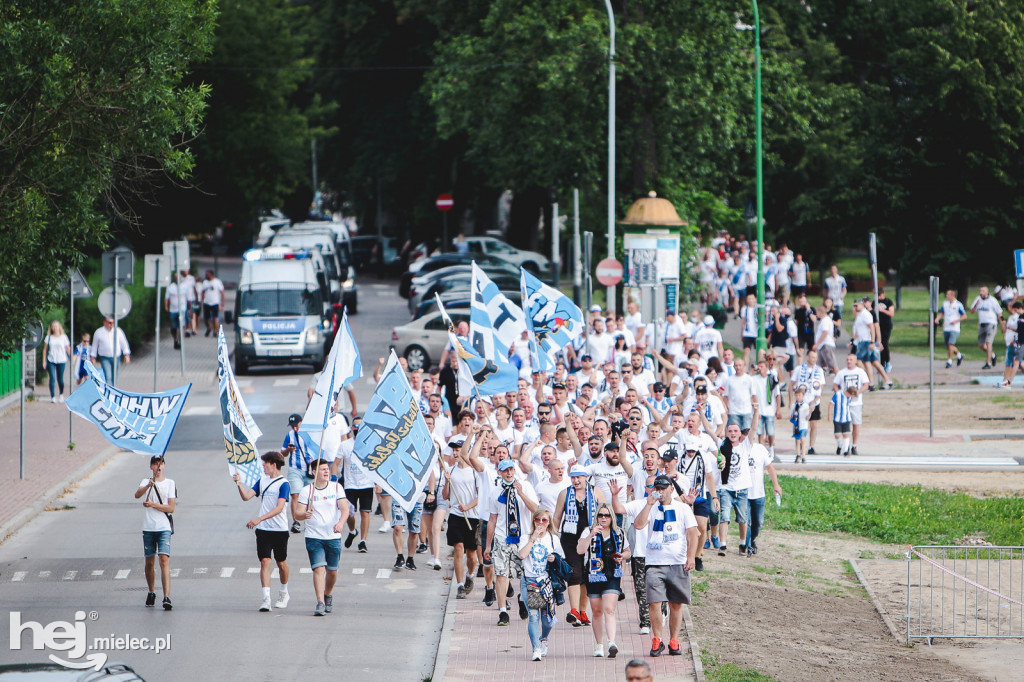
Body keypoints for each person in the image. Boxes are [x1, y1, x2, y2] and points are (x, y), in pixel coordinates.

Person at [633, 474, 699, 657]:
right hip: (655, 561)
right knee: (654, 601)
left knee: (676, 603)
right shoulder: (650, 507)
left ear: (671, 488)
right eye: (658, 488)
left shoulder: (683, 508)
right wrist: (648, 504)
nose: (660, 491)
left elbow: (693, 533)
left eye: (663, 488)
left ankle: (674, 639)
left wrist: (691, 556)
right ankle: (657, 639)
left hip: (677, 561)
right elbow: (638, 525)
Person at [233, 451, 291, 611]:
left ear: (273, 464)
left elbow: (279, 508)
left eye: (265, 464)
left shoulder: (283, 483)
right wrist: (239, 484)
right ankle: (266, 599)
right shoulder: (262, 481)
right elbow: (246, 496)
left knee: (281, 563)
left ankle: (284, 592)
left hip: (279, 529)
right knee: (265, 561)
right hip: (264, 530)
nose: (263, 467)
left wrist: (259, 518)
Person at [293, 459, 350, 616]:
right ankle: (320, 602)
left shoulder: (336, 488)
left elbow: (344, 509)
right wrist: (304, 514)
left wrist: (340, 523)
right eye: (323, 469)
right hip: (313, 536)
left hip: (333, 535)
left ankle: (328, 594)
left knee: (332, 571)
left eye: (327, 469)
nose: (326, 472)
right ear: (314, 472)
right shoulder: (307, 491)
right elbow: (297, 514)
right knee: (318, 569)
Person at [553, 468, 606, 627]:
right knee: (574, 573)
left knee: (587, 574)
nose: (576, 481)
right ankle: (574, 610)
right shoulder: (565, 493)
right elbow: (556, 517)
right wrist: (553, 538)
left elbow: (604, 514)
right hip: (570, 539)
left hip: (591, 537)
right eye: (573, 478)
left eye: (579, 478)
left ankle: (583, 611)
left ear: (585, 477)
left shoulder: (596, 491)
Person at [577, 501, 630, 658]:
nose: (604, 518)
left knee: (609, 608)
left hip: (612, 574)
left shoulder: (619, 532)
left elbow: (628, 551)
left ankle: (611, 642)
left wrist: (622, 556)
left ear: (612, 517)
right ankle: (599, 644)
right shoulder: (588, 530)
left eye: (607, 515)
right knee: (597, 610)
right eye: (600, 515)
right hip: (593, 575)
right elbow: (580, 550)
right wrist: (592, 534)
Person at [518, 508, 563, 661]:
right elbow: (522, 555)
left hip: (546, 582)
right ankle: (535, 648)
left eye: (544, 520)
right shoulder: (526, 537)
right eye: (538, 520)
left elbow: (561, 559)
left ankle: (543, 638)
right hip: (530, 581)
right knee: (533, 616)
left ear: (549, 522)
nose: (541, 523)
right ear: (533, 521)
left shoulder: (553, 539)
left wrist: (554, 558)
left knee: (547, 619)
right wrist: (533, 538)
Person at [134, 455, 175, 611]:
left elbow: (171, 508)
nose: (158, 467)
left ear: (164, 466)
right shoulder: (146, 482)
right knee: (149, 562)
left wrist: (152, 504)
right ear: (151, 467)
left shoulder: (170, 483)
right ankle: (151, 591)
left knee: (164, 559)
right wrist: (147, 486)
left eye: (161, 464)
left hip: (163, 526)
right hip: (149, 527)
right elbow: (137, 495)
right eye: (155, 464)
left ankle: (166, 596)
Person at [744, 438, 781, 556]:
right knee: (746, 521)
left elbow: (770, 467)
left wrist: (776, 485)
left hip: (759, 493)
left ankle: (752, 539)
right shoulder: (739, 448)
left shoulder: (760, 449)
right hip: (744, 493)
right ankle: (748, 545)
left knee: (758, 522)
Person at [833, 352, 870, 455]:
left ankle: (854, 445)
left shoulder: (860, 372)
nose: (849, 361)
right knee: (844, 425)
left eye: (851, 359)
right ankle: (845, 445)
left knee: (856, 425)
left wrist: (858, 392)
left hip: (856, 403)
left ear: (855, 361)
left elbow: (866, 384)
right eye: (847, 359)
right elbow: (835, 385)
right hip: (844, 404)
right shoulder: (842, 373)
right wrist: (840, 395)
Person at [283, 413, 312, 533]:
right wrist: (288, 450)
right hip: (295, 468)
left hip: (310, 469)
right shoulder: (289, 435)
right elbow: (283, 453)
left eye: (296, 425)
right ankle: (296, 521)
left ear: (301, 423)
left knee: (311, 496)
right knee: (295, 494)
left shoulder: (309, 434)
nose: (294, 428)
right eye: (292, 426)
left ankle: (310, 520)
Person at [91, 317, 131, 385]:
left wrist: (126, 355)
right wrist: (93, 357)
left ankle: (114, 390)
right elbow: (94, 345)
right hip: (104, 358)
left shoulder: (118, 331)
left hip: (116, 357)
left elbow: (123, 343)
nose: (111, 324)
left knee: (115, 377)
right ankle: (110, 393)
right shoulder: (99, 332)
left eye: (113, 323)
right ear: (105, 322)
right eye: (109, 322)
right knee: (108, 376)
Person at [971, 286, 1003, 369]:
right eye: (980, 290)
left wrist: (1002, 324)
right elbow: (972, 311)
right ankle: (993, 355)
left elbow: (999, 313)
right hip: (982, 324)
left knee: (988, 343)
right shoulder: (978, 299)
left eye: (983, 291)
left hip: (991, 323)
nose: (981, 292)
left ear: (987, 292)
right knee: (981, 345)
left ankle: (988, 363)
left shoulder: (992, 300)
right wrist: (975, 306)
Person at [935, 289, 966, 368]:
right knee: (948, 346)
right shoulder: (945, 304)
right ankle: (959, 355)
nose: (946, 296)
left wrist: (956, 321)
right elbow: (942, 313)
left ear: (952, 295)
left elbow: (964, 316)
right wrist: (937, 319)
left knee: (950, 344)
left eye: (948, 294)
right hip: (946, 327)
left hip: (954, 328)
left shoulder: (958, 304)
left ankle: (949, 361)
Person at [42, 320, 71, 402]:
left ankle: (61, 394)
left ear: (59, 327)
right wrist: (44, 361)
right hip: (51, 360)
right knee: (52, 378)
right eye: (53, 326)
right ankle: (53, 397)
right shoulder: (49, 337)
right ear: (51, 328)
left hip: (61, 360)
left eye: (56, 326)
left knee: (60, 379)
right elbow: (45, 350)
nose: (55, 328)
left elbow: (68, 348)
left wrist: (72, 358)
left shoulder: (64, 337)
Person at [1000, 301, 1024, 388]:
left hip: (1020, 343)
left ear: (1018, 308)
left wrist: (1015, 340)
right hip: (1020, 342)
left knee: (1016, 362)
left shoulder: (1020, 317)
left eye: (1015, 310)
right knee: (1017, 362)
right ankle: (1008, 381)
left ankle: (1008, 381)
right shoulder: (1019, 317)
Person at [164, 272, 189, 350]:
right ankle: (175, 339)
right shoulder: (170, 287)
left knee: (181, 326)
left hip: (182, 309)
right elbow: (166, 298)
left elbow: (188, 298)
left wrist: (190, 309)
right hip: (173, 310)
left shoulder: (185, 287)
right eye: (176, 277)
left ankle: (180, 341)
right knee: (173, 327)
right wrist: (166, 306)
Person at [199, 269, 225, 337]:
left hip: (215, 302)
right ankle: (208, 328)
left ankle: (215, 331)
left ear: (211, 275)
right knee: (206, 318)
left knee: (215, 318)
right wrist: (201, 301)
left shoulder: (217, 282)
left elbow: (222, 292)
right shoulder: (205, 282)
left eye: (207, 274)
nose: (206, 276)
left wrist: (223, 301)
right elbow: (203, 292)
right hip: (206, 302)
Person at [876, 287, 895, 373]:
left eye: (880, 295)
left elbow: (891, 313)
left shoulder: (888, 302)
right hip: (878, 326)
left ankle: (887, 362)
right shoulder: (875, 302)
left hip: (886, 325)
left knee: (884, 343)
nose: (879, 297)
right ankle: (881, 363)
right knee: (879, 344)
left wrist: (883, 310)